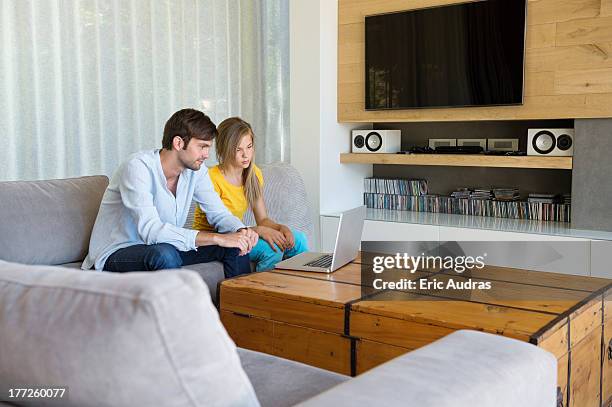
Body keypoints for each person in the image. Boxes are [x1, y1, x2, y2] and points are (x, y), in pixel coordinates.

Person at [82, 109, 258, 277]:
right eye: (202, 146)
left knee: (235, 246)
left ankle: (238, 308)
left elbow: (218, 213)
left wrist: (241, 231)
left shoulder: (196, 170)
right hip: (118, 252)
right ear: (179, 143)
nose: (206, 154)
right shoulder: (138, 167)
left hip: (163, 246)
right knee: (165, 254)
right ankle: (176, 308)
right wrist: (217, 238)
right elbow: (151, 231)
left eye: (208, 147)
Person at [192, 117, 308, 271]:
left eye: (249, 147)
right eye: (238, 149)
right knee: (272, 249)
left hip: (242, 233)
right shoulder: (212, 178)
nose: (245, 155)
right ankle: (264, 291)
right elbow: (222, 228)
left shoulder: (253, 174)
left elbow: (263, 219)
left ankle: (300, 286)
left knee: (299, 240)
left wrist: (280, 228)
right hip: (216, 240)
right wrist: (258, 230)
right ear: (224, 150)